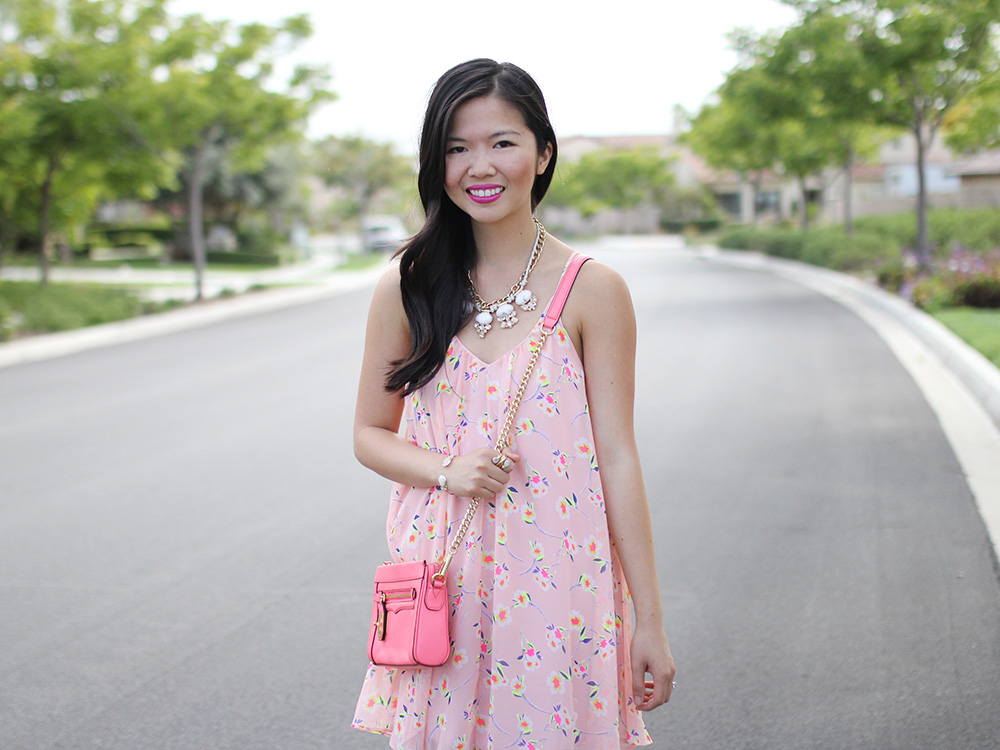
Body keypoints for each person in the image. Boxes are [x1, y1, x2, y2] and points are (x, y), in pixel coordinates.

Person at [352, 58, 676, 749]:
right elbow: (369, 434)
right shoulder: (408, 286)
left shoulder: (593, 290)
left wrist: (649, 619)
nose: (480, 166)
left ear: (543, 152)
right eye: (457, 148)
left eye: (502, 142)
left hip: (562, 586)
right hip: (447, 584)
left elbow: (618, 457)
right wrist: (447, 469)